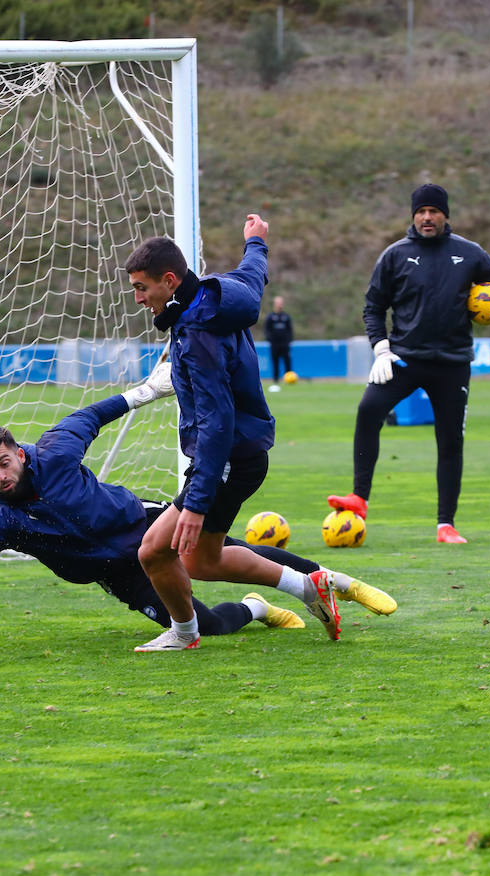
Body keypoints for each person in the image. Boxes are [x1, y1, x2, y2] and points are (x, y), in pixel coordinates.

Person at [0, 376, 397, 646]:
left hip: (142, 523)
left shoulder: (56, 450)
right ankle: (257, 609)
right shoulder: (2, 518)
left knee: (226, 554)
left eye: (4, 463)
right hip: (117, 573)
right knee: (207, 626)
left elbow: (91, 415)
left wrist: (147, 392)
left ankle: (339, 581)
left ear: (21, 454)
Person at [124, 215, 345, 651]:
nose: (138, 299)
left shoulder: (198, 333)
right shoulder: (221, 292)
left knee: (153, 551)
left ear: (169, 281)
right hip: (242, 454)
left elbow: (217, 421)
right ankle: (307, 586)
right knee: (201, 560)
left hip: (225, 458)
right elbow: (253, 275)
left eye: (141, 288)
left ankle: (185, 634)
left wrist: (196, 503)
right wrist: (256, 242)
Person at [325, 183, 490, 545]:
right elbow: (373, 307)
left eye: (434, 211)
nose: (427, 217)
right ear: (413, 216)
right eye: (421, 212)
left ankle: (446, 524)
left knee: (450, 440)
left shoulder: (469, 253)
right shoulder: (395, 255)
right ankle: (359, 497)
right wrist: (381, 348)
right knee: (368, 410)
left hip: (453, 362)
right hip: (403, 358)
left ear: (445, 215)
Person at [264, 295, 294, 388]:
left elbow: (290, 330)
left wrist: (289, 340)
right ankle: (276, 380)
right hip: (274, 344)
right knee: (275, 362)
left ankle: (289, 380)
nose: (280, 304)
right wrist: (270, 339)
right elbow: (267, 329)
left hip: (285, 344)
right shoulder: (270, 317)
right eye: (278, 303)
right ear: (274, 304)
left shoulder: (286, 316)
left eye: (281, 303)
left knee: (287, 362)